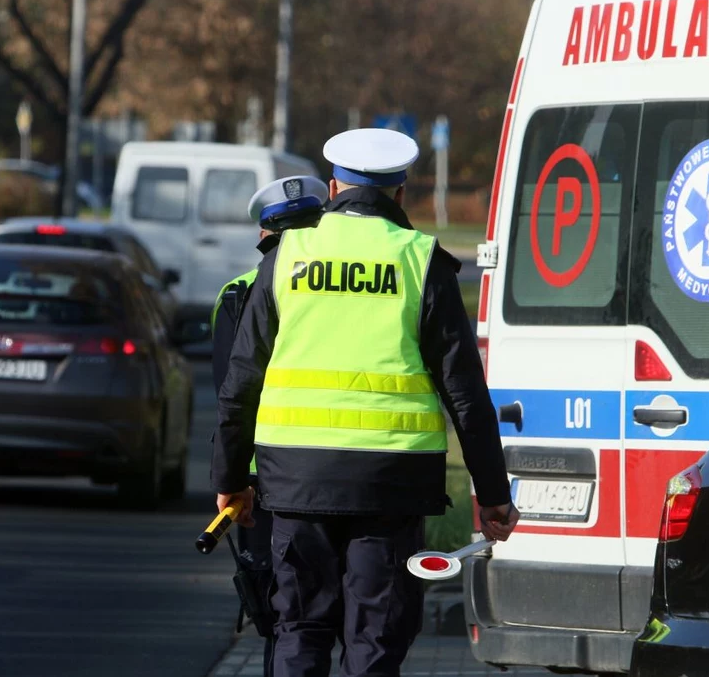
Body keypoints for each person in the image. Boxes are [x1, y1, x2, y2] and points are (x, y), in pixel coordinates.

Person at [212, 128, 519, 677]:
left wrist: (231, 478)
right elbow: (466, 394)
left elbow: (241, 383)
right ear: (400, 194)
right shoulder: (420, 260)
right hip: (391, 486)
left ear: (333, 187)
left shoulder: (287, 256)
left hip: (296, 480)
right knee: (375, 640)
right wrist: (492, 495)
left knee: (299, 631)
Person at [210, 175, 329, 677]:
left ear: (264, 235)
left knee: (287, 620)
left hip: (265, 483)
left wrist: (229, 481)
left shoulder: (237, 293)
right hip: (349, 467)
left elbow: (230, 397)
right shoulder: (337, 286)